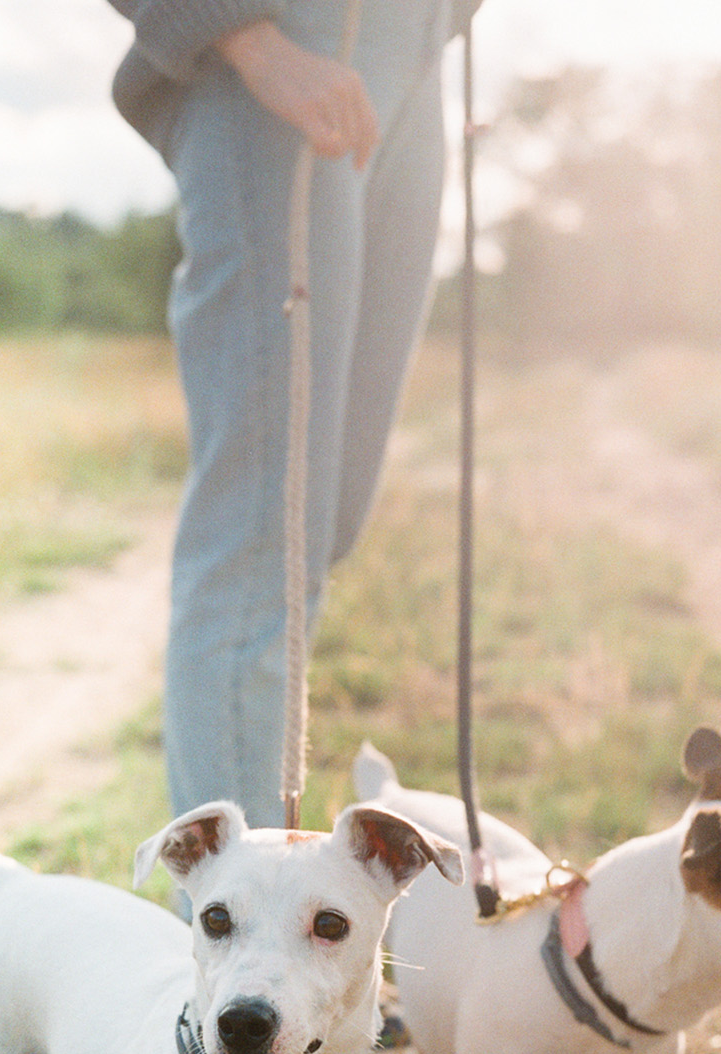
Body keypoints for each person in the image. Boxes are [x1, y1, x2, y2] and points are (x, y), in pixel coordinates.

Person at [105, 1, 479, 826]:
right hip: (280, 40)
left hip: (415, 51)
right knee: (261, 540)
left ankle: (251, 905)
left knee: (324, 520)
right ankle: (235, 939)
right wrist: (248, 39)